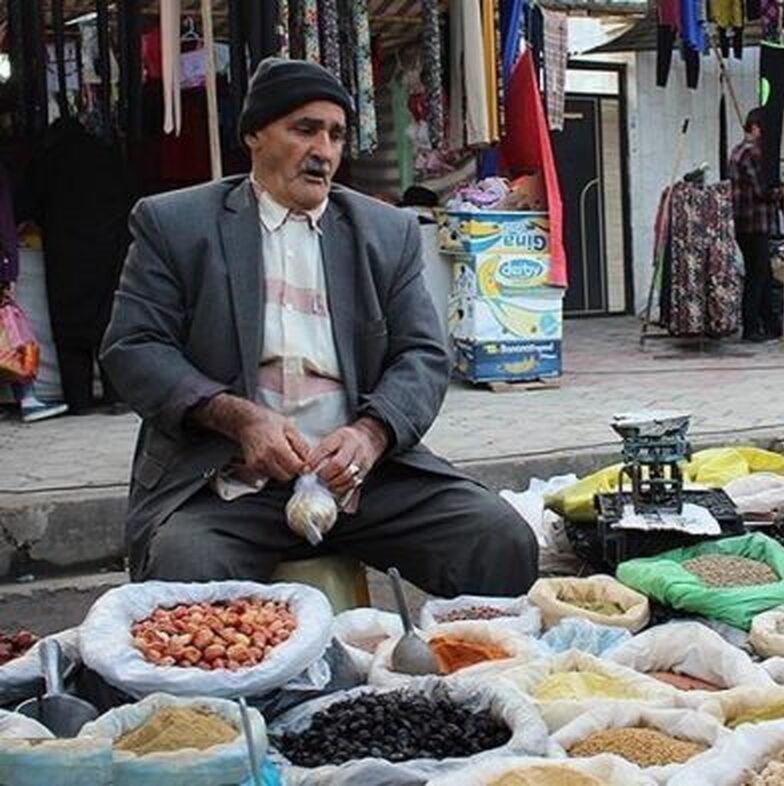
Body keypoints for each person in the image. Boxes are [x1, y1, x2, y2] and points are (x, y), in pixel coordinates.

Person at [101, 59, 538, 594]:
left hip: (361, 479)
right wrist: (239, 419)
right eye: (304, 129)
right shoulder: (176, 224)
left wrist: (370, 434)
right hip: (228, 482)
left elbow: (423, 354)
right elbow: (134, 347)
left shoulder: (385, 232)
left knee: (497, 538)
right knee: (185, 570)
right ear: (254, 135)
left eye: (335, 135)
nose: (324, 151)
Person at [19, 114, 135, 414]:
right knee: (110, 321)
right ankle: (116, 396)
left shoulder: (48, 161)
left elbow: (28, 205)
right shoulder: (107, 156)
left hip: (65, 254)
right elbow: (131, 197)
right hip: (109, 249)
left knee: (69, 328)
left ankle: (78, 399)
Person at [729, 107, 780, 342]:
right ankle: (751, 328)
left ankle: (770, 324)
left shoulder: (738, 150)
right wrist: (781, 192)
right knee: (757, 275)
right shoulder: (752, 153)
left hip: (744, 223)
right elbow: (762, 190)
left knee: (763, 273)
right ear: (757, 128)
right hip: (754, 223)